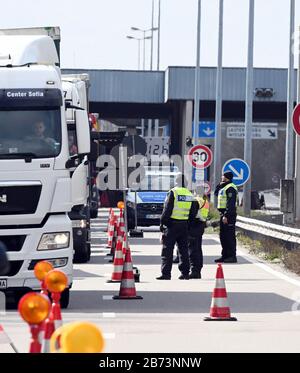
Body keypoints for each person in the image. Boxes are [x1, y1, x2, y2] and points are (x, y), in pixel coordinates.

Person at [157, 174, 198, 280]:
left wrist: (162, 223)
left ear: (176, 182)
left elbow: (167, 209)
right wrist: (189, 224)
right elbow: (193, 212)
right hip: (184, 225)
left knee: (167, 250)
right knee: (183, 250)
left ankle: (166, 274)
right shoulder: (190, 194)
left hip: (172, 225)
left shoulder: (173, 192)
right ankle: (185, 273)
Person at [214, 171, 238, 263]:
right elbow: (216, 194)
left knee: (229, 236)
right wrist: (219, 185)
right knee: (223, 236)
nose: (221, 177)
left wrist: (226, 215)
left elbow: (230, 204)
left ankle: (232, 256)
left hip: (228, 215)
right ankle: (225, 255)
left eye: (223, 176)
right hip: (223, 214)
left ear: (226, 177)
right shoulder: (224, 187)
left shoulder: (230, 188)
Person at [188, 188, 210, 279]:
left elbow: (192, 215)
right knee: (198, 248)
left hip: (194, 225)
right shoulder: (205, 200)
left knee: (193, 249)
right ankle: (197, 270)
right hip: (201, 225)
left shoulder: (196, 200)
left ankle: (194, 271)